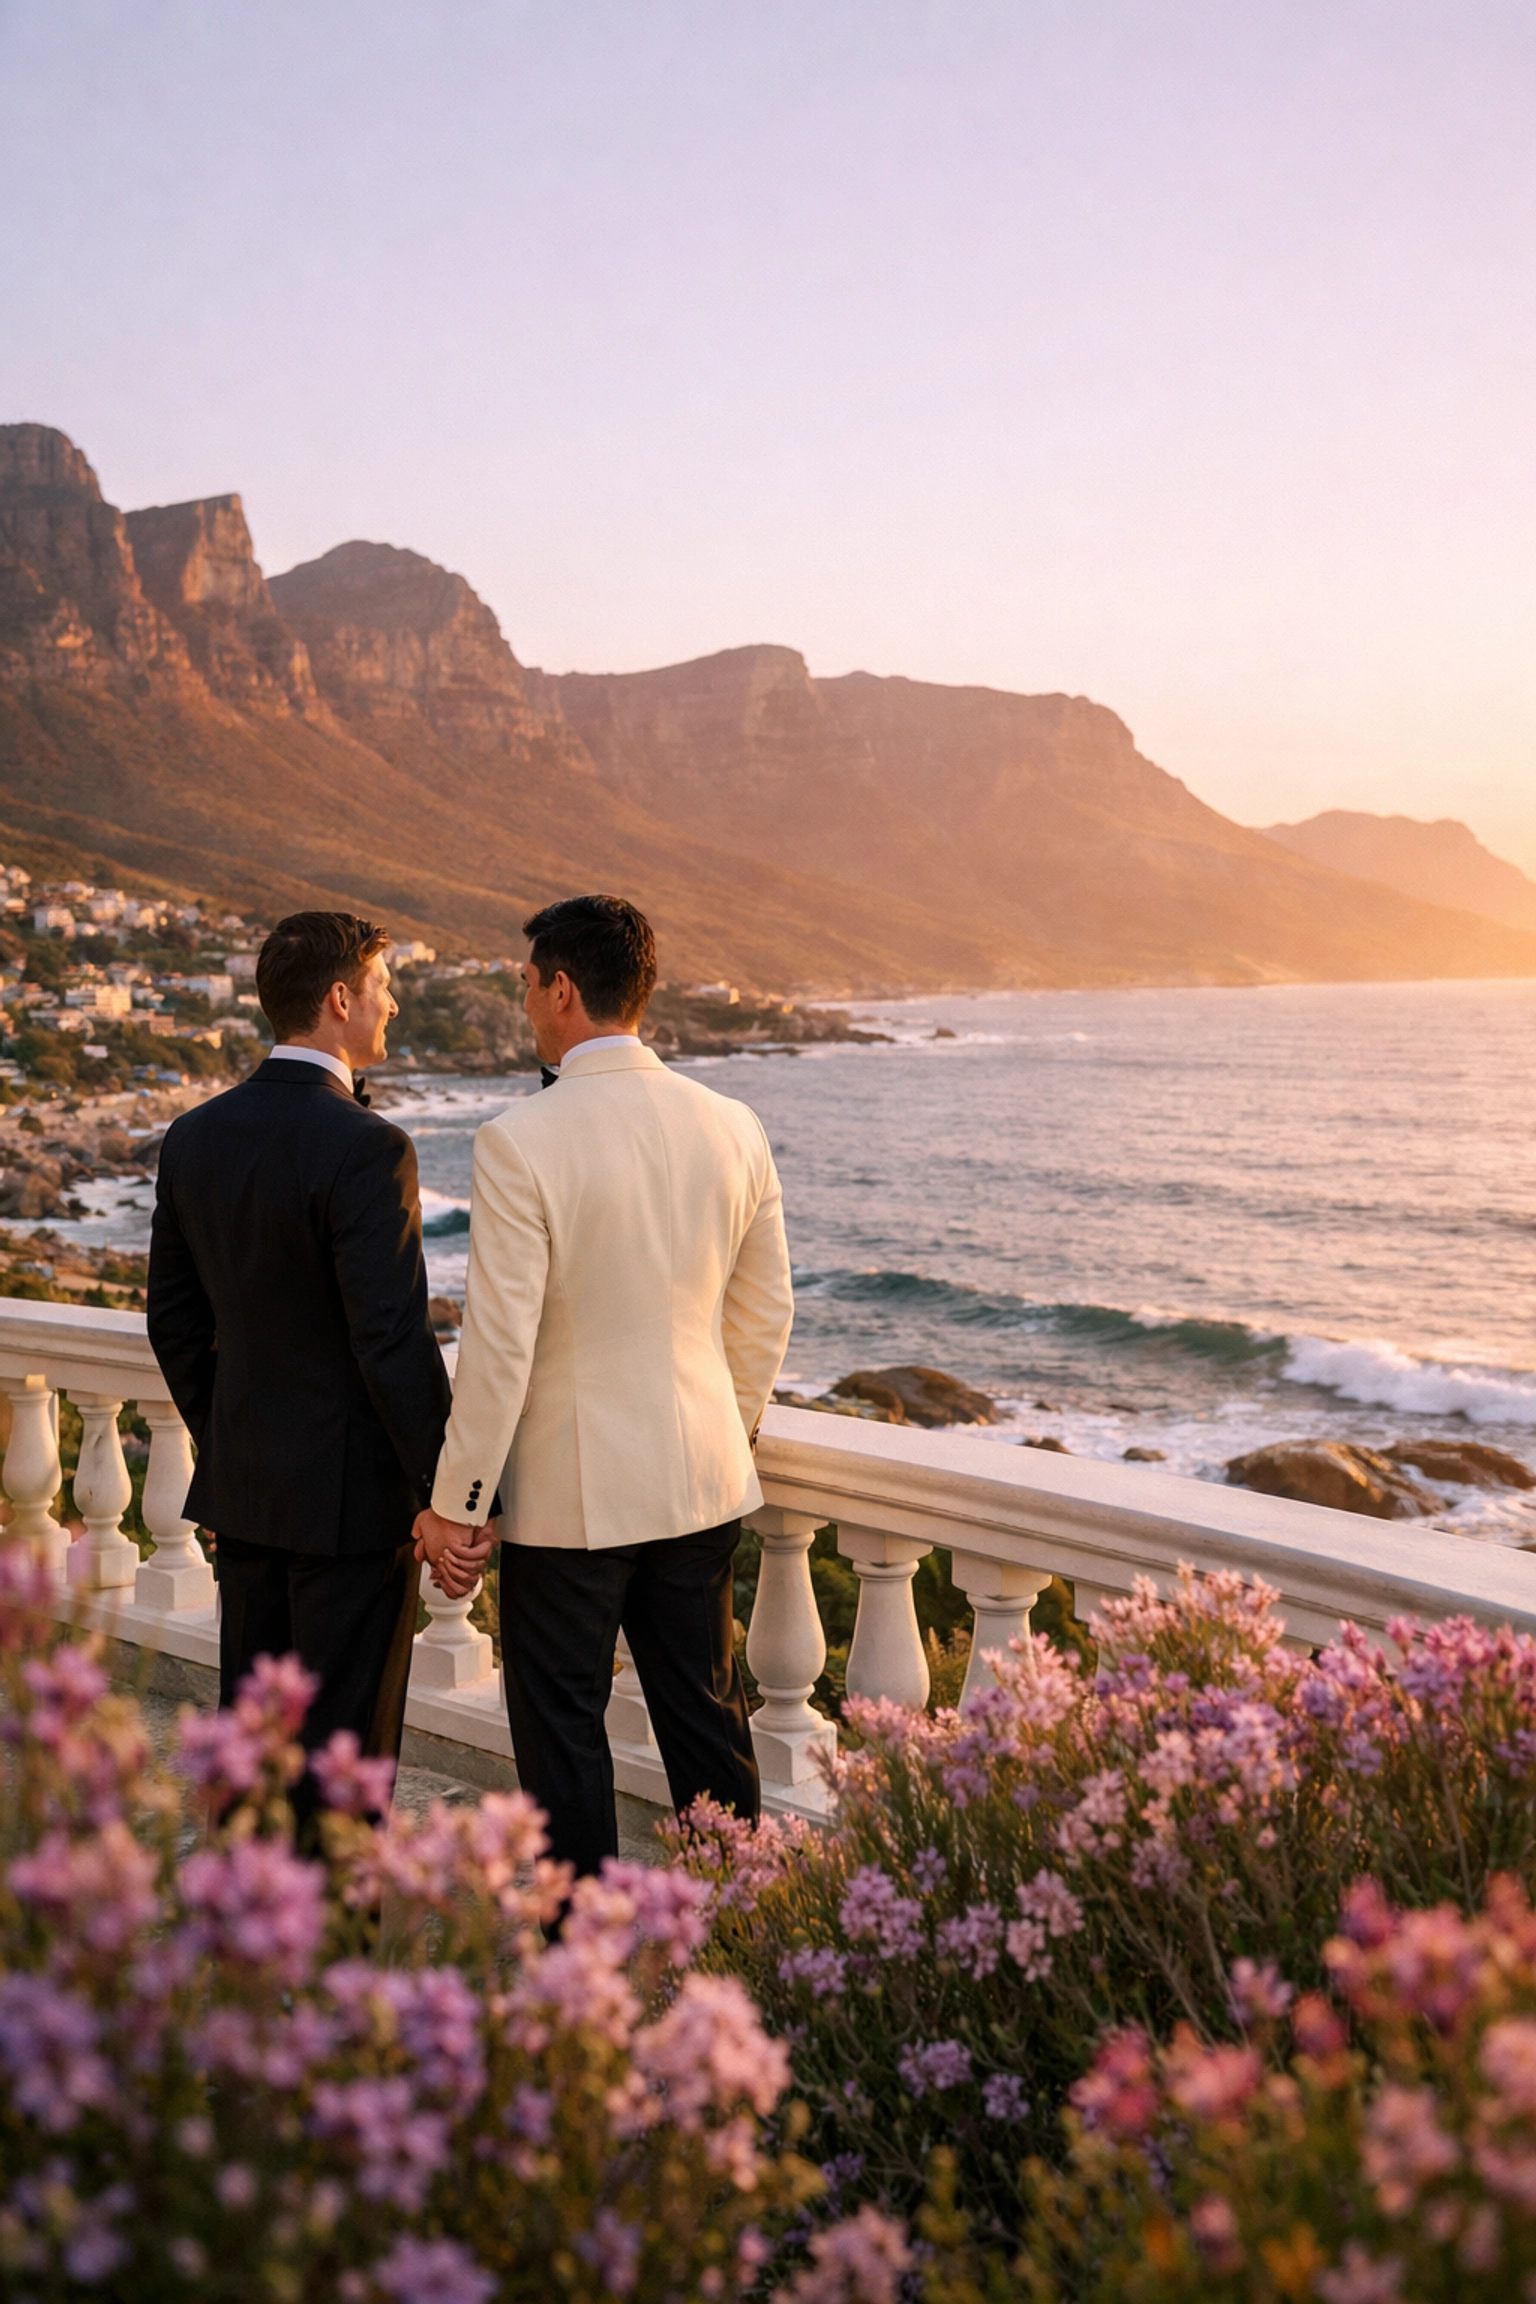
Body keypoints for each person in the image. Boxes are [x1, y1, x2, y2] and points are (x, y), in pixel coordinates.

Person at [413, 893, 794, 1877]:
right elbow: (765, 1312)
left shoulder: (520, 1140)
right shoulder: (735, 1125)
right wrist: (728, 1426)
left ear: (565, 990)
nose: (526, 1005)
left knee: (563, 1735)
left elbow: (500, 1346)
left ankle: (575, 1955)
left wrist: (457, 1504)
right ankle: (750, 1927)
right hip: (701, 1479)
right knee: (707, 1719)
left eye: (529, 986)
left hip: (570, 1503)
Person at [147, 911, 452, 1823]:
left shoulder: (194, 1136)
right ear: (339, 1000)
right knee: (346, 1769)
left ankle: (253, 1942)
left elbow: (174, 1322)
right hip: (352, 1512)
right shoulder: (368, 1146)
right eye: (382, 988)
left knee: (255, 1758)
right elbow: (389, 1338)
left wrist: (233, 1436)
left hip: (246, 1496)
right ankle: (338, 1962)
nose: (392, 1004)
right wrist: (443, 1492)